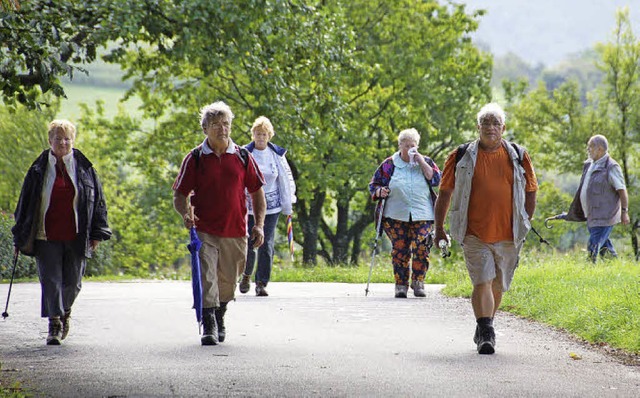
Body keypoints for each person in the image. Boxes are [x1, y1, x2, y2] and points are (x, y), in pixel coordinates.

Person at [434, 103, 538, 355]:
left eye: (495, 123)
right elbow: (445, 192)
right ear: (478, 127)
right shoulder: (460, 156)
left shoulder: (518, 155)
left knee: (497, 285)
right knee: (482, 280)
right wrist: (439, 228)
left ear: (503, 128)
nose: (490, 128)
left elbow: (531, 190)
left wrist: (525, 222)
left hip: (508, 233)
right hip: (473, 232)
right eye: (486, 123)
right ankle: (487, 331)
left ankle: (484, 326)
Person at [173, 101, 266, 346]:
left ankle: (220, 314)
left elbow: (257, 193)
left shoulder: (243, 157)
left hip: (236, 229)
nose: (222, 129)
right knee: (207, 275)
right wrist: (185, 214)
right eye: (215, 125)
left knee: (228, 279)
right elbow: (179, 194)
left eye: (226, 124)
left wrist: (259, 225)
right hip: (204, 229)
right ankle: (209, 322)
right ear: (205, 129)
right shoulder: (195, 158)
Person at [12, 119, 112, 346]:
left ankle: (65, 310)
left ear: (73, 141)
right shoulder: (38, 169)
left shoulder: (84, 168)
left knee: (74, 282)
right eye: (58, 138)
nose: (63, 143)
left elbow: (98, 202)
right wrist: (19, 235)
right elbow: (24, 204)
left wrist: (97, 232)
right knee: (50, 280)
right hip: (44, 234)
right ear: (50, 141)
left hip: (77, 233)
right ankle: (54, 323)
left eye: (67, 138)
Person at [369, 128, 441, 298]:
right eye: (406, 145)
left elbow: (436, 180)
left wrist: (421, 161)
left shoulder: (426, 162)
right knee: (400, 249)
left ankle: (418, 282)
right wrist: (380, 192)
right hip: (395, 215)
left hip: (423, 214)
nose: (410, 148)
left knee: (422, 246)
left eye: (413, 145)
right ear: (400, 145)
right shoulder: (390, 164)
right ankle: (401, 285)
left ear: (417, 146)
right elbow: (374, 185)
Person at [239, 116, 296, 297]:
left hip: (272, 207)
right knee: (249, 242)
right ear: (253, 135)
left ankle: (261, 282)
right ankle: (246, 275)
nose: (260, 137)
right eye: (257, 134)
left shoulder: (277, 155)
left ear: (269, 136)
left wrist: (288, 203)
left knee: (266, 244)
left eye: (264, 134)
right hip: (249, 206)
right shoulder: (244, 154)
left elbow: (286, 180)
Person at [565, 134, 630, 262]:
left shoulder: (611, 167)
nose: (588, 150)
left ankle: (588, 270)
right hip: (591, 215)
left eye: (590, 147)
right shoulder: (590, 165)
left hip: (605, 217)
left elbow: (622, 190)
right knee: (605, 248)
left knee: (593, 246)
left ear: (599, 149)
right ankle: (614, 266)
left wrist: (624, 212)